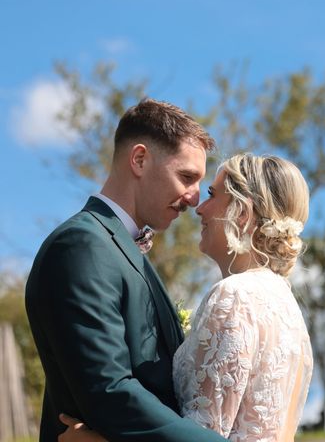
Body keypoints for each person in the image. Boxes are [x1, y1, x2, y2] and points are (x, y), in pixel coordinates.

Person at [60, 153, 313, 442]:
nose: (199, 208)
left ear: (242, 212)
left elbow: (203, 434)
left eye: (212, 195)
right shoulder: (287, 306)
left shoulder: (235, 296)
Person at [25, 98, 227, 442]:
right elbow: (109, 391)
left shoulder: (123, 250)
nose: (194, 199)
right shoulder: (82, 246)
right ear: (139, 159)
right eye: (186, 177)